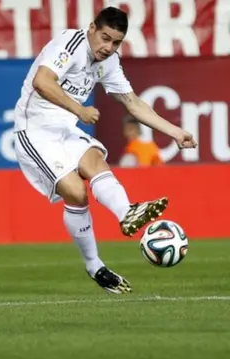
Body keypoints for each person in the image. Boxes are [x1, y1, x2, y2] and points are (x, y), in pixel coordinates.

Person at [11, 7, 197, 294]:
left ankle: (127, 213)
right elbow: (42, 81)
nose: (108, 48)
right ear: (92, 28)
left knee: (95, 159)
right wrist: (79, 109)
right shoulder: (70, 44)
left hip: (65, 130)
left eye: (116, 43)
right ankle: (94, 265)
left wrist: (175, 132)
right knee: (75, 192)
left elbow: (133, 103)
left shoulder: (109, 62)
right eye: (105, 38)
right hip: (34, 131)